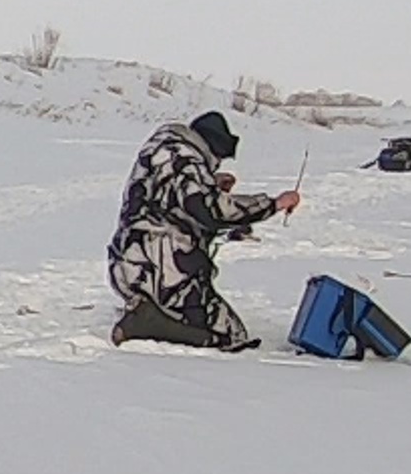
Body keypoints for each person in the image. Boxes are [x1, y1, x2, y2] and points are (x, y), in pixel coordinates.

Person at [105, 110, 301, 350]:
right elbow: (212, 211)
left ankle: (151, 314)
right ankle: (145, 326)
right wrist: (274, 204)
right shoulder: (187, 159)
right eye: (218, 158)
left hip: (129, 266)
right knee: (231, 334)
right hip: (163, 272)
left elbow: (169, 198)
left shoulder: (163, 150)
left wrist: (211, 184)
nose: (216, 164)